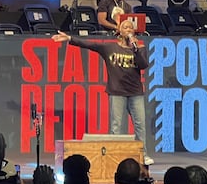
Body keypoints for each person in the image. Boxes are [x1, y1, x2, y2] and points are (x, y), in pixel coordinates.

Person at [52, 19, 152, 165]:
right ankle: (115, 157)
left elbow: (143, 65)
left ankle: (143, 155)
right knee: (116, 126)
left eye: (131, 27)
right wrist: (69, 38)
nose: (128, 29)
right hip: (117, 91)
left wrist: (135, 48)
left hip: (135, 92)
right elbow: (90, 44)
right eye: (125, 27)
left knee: (140, 125)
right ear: (119, 31)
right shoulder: (110, 48)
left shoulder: (140, 48)